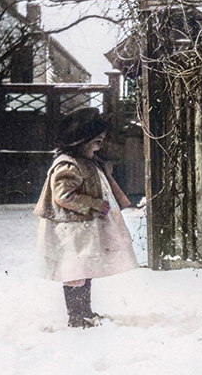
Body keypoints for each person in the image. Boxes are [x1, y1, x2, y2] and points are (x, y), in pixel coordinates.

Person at [34, 107, 138, 328]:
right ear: (80, 141)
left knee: (84, 269)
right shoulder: (68, 164)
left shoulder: (87, 160)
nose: (100, 146)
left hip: (83, 228)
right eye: (96, 141)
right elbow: (64, 195)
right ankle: (76, 316)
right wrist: (94, 205)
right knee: (74, 271)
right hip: (70, 229)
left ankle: (85, 311)